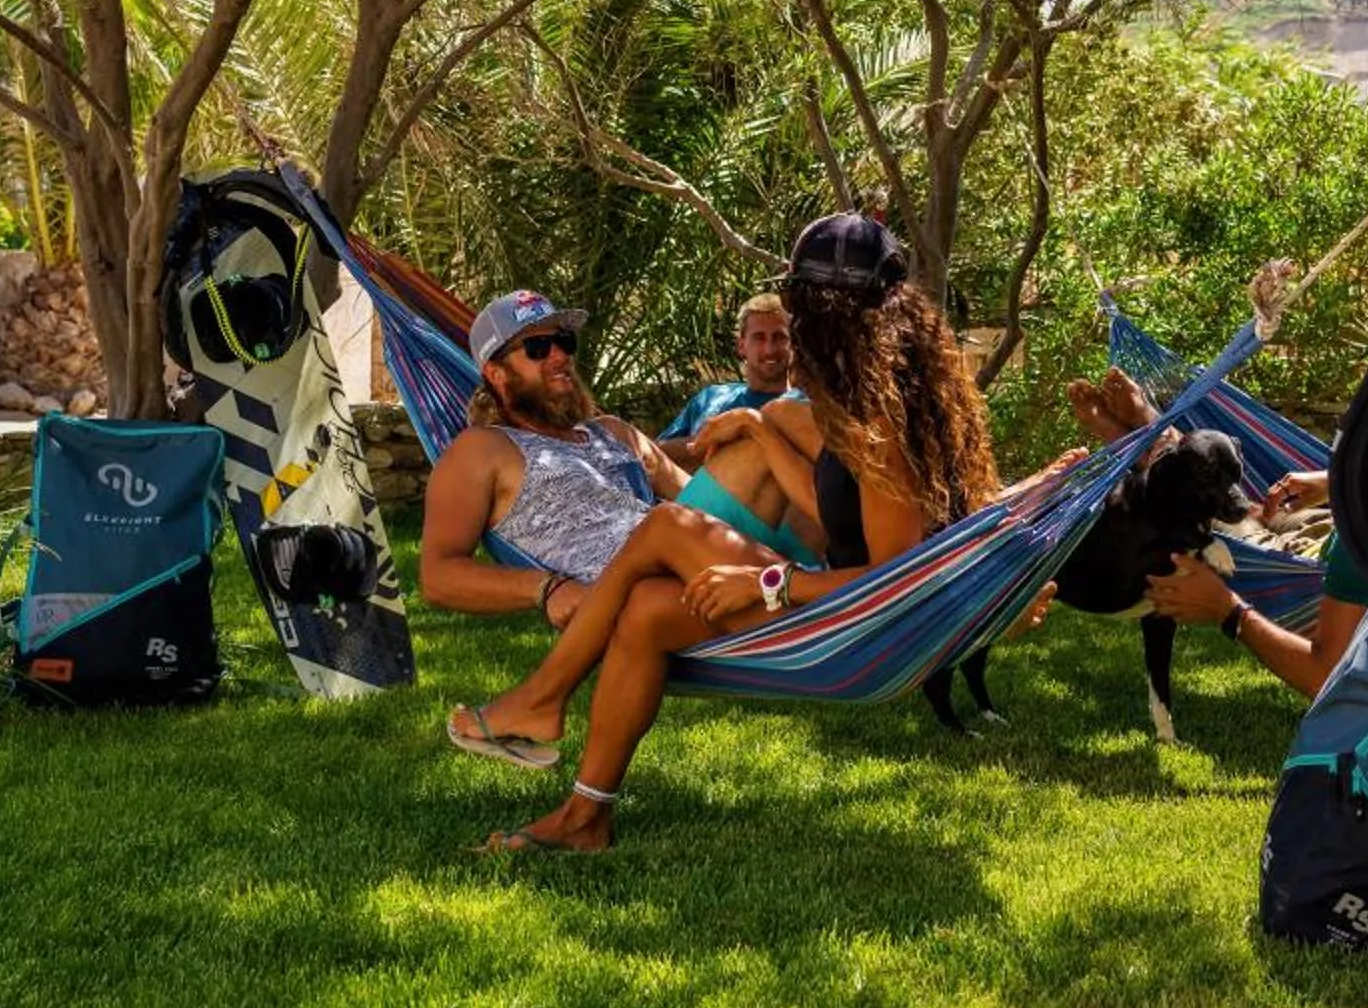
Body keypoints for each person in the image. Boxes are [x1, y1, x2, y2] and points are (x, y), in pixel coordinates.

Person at [458, 211, 1003, 854]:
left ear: (824, 313)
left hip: (851, 622)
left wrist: (768, 582)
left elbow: (893, 586)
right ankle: (585, 818)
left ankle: (542, 698)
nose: (792, 330)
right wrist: (762, 436)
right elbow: (845, 521)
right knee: (643, 610)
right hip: (831, 601)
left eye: (797, 307)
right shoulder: (873, 400)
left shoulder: (880, 425)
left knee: (665, 525)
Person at [421, 287, 818, 765]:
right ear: (496, 372)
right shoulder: (480, 450)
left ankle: (865, 580)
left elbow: (715, 505)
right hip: (632, 597)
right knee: (671, 520)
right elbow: (438, 576)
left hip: (698, 565)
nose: (560, 357)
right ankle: (824, 592)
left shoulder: (612, 432)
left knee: (778, 425)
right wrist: (544, 588)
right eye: (538, 348)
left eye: (565, 342)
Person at [1139, 356, 1368, 699]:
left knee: (1227, 514)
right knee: (1270, 509)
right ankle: (1153, 434)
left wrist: (1227, 609)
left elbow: (1325, 674)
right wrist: (1333, 482)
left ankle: (1151, 441)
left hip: (1300, 558)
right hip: (1329, 523)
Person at [657, 291, 793, 469]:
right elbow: (655, 454)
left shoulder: (801, 409)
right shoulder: (711, 396)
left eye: (779, 337)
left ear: (794, 344)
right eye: (759, 337)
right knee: (614, 428)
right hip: (673, 491)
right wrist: (706, 441)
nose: (769, 349)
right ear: (741, 345)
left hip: (732, 495)